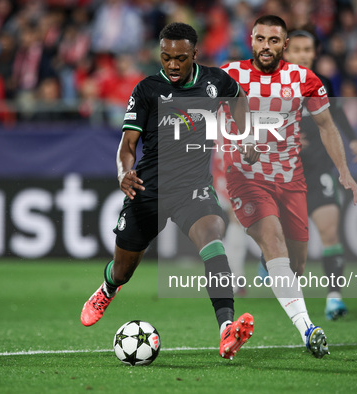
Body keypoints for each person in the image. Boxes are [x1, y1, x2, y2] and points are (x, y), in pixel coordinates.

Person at [80, 22, 254, 360]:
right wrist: (123, 172)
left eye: (180, 58)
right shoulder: (147, 89)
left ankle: (226, 330)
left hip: (193, 189)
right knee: (123, 270)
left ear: (194, 55)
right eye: (166, 57)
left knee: (213, 242)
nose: (172, 65)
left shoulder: (216, 82)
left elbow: (240, 99)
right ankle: (107, 289)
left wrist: (246, 134)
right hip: (148, 190)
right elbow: (127, 144)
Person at [221, 15, 357, 358]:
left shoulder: (304, 79)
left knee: (295, 263)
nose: (266, 47)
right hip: (246, 176)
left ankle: (275, 268)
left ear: (283, 45)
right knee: (274, 241)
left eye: (274, 41)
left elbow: (328, 126)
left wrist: (344, 170)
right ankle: (308, 329)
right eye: (260, 39)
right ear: (251, 40)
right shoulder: (230, 74)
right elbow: (204, 113)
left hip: (291, 179)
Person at [283, 29, 357, 321]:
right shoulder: (270, 84)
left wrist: (352, 139)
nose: (303, 55)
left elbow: (336, 114)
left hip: (319, 167)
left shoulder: (323, 82)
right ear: (285, 52)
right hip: (283, 169)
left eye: (308, 49)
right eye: (297, 50)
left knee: (329, 229)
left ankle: (334, 297)